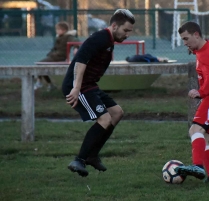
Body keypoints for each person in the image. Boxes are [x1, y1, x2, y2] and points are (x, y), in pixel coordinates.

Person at [62, 9, 135, 177]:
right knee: (105, 118)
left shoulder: (109, 41)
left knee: (116, 113)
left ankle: (92, 156)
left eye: (130, 31)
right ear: (115, 26)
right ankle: (79, 160)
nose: (128, 34)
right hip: (78, 86)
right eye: (126, 30)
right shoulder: (100, 38)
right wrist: (76, 88)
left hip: (90, 85)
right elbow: (81, 61)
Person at [174, 21, 209, 183]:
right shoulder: (205, 48)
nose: (185, 43)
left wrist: (201, 92)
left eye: (186, 39)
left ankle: (197, 166)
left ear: (196, 35)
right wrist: (193, 50)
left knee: (195, 130)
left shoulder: (206, 54)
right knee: (203, 138)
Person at [34, 21, 79, 91]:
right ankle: (47, 83)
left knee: (40, 64)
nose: (56, 31)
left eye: (58, 29)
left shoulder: (68, 36)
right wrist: (50, 53)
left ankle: (41, 82)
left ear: (64, 30)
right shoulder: (59, 37)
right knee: (40, 65)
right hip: (54, 56)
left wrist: (76, 48)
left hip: (59, 57)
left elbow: (75, 40)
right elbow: (55, 48)